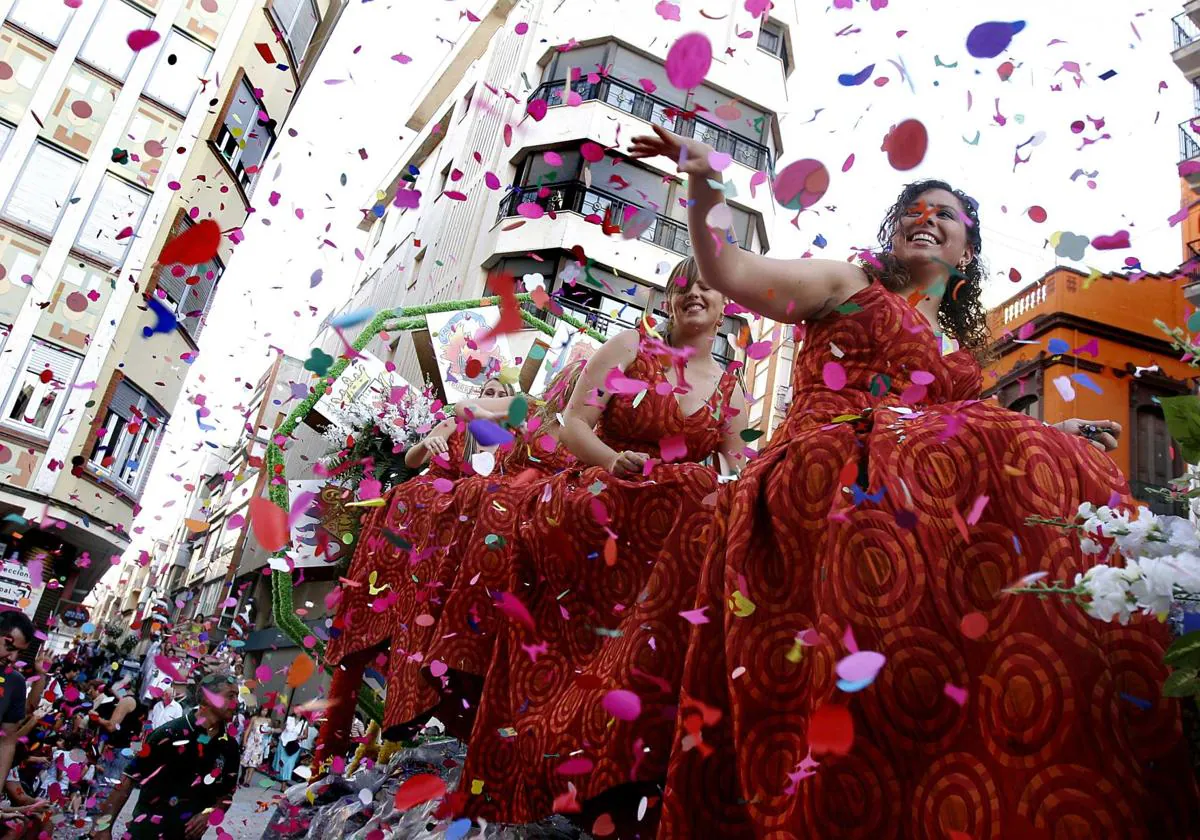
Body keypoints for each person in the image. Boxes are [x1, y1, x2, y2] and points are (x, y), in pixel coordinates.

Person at [624, 124, 1200, 836]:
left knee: (1076, 465)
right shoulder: (846, 282)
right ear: (894, 234)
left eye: (945, 216)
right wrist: (704, 180)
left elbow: (970, 431)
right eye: (913, 212)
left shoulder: (958, 353)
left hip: (909, 470)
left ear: (965, 253)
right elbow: (728, 269)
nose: (926, 220)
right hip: (825, 457)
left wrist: (1057, 434)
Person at [457, 256, 747, 826]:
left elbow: (737, 465)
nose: (694, 295)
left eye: (707, 288)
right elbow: (572, 425)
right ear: (666, 301)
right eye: (682, 286)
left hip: (674, 531)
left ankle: (627, 765)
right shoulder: (626, 350)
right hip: (604, 502)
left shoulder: (731, 385)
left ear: (724, 306)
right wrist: (619, 461)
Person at [317, 362, 587, 765]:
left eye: (501, 393)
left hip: (515, 526)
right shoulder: (517, 416)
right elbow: (418, 456)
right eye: (490, 391)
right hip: (454, 527)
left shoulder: (552, 432)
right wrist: (435, 438)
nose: (495, 398)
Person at [93, 671, 240, 840]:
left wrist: (208, 814)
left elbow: (226, 795)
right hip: (146, 833)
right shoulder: (169, 733)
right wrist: (103, 828)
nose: (236, 703)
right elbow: (128, 780)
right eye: (231, 696)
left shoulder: (229, 747)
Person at [0, 612, 33, 805]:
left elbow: (7, 742)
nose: (13, 657)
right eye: (9, 647)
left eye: (19, 652)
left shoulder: (15, 682)